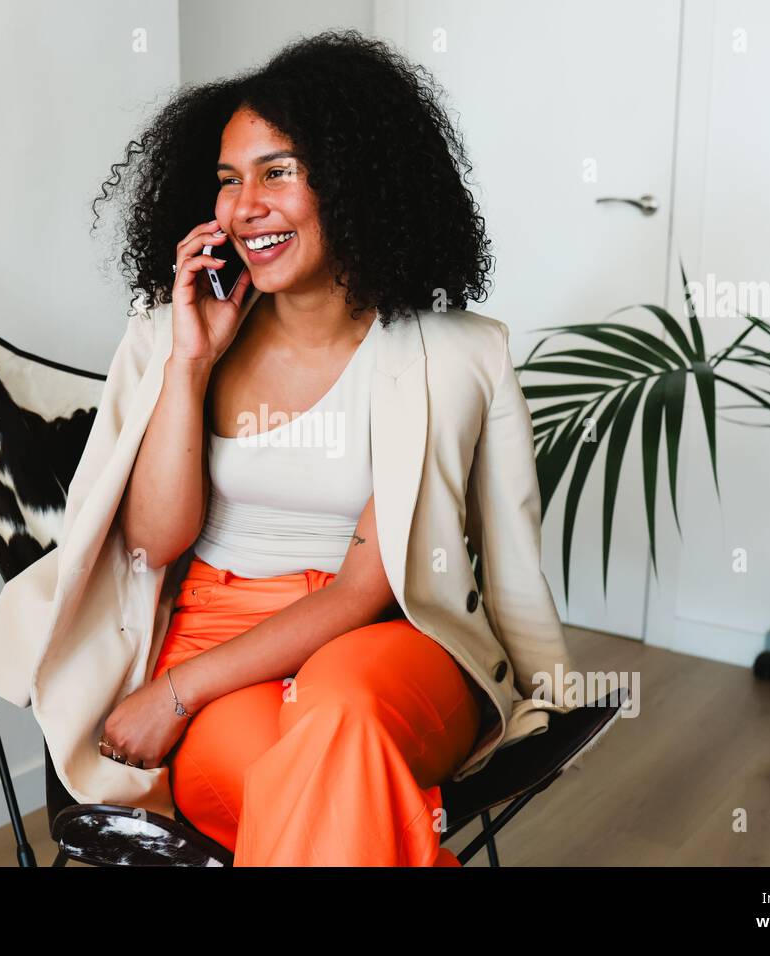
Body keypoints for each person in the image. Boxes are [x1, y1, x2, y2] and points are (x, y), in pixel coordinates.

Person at [86, 29, 566, 867]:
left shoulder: (446, 355)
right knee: (316, 786)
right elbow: (153, 541)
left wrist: (172, 696)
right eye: (230, 180)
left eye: (279, 171)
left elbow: (363, 588)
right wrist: (190, 365)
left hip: (388, 634)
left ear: (355, 183)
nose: (245, 206)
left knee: (336, 717)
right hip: (215, 640)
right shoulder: (174, 336)